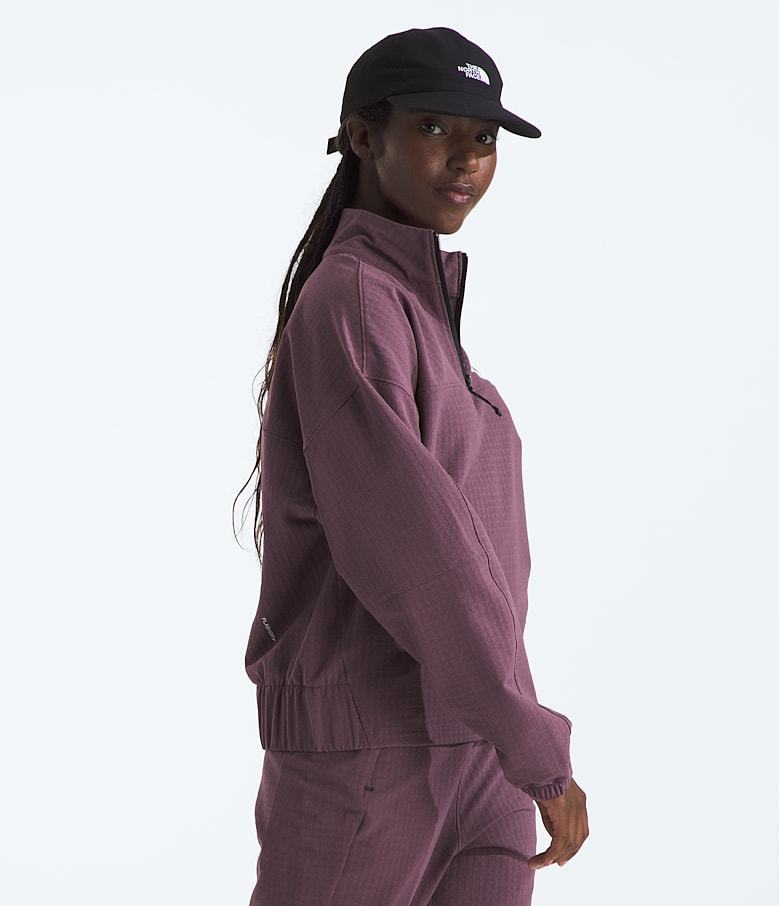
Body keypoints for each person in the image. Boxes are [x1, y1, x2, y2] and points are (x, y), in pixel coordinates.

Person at [237, 25, 589, 905]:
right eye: (434, 127)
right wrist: (535, 746)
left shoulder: (419, 315)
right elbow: (417, 552)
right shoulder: (354, 304)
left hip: (481, 753)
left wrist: (512, 735)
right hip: (370, 753)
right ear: (364, 135)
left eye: (484, 137)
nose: (466, 159)